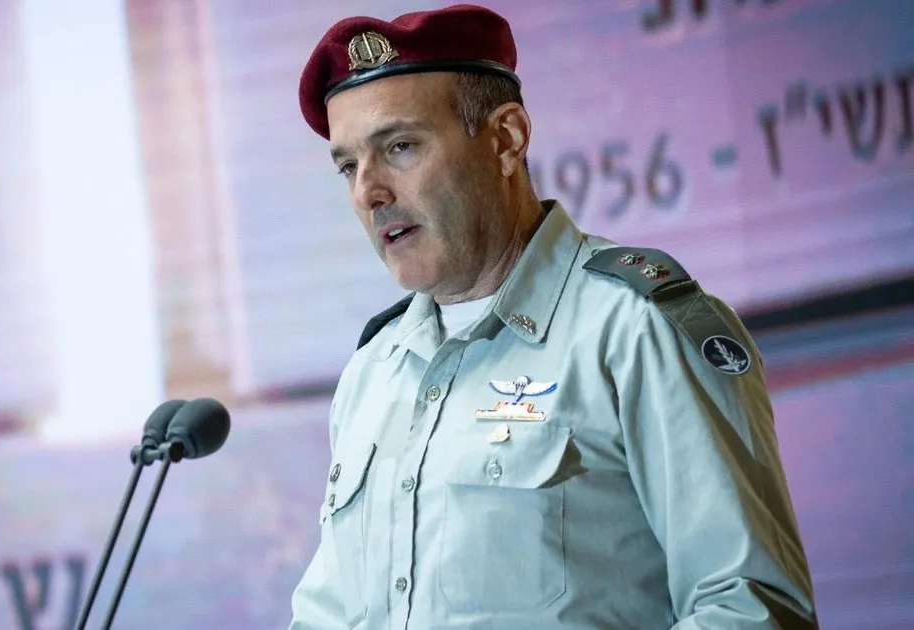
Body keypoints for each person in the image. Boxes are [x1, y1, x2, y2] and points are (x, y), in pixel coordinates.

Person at [287, 4, 818, 629]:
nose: (368, 192)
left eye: (400, 147)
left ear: (507, 139)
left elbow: (750, 608)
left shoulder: (634, 329)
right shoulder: (372, 371)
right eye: (349, 166)